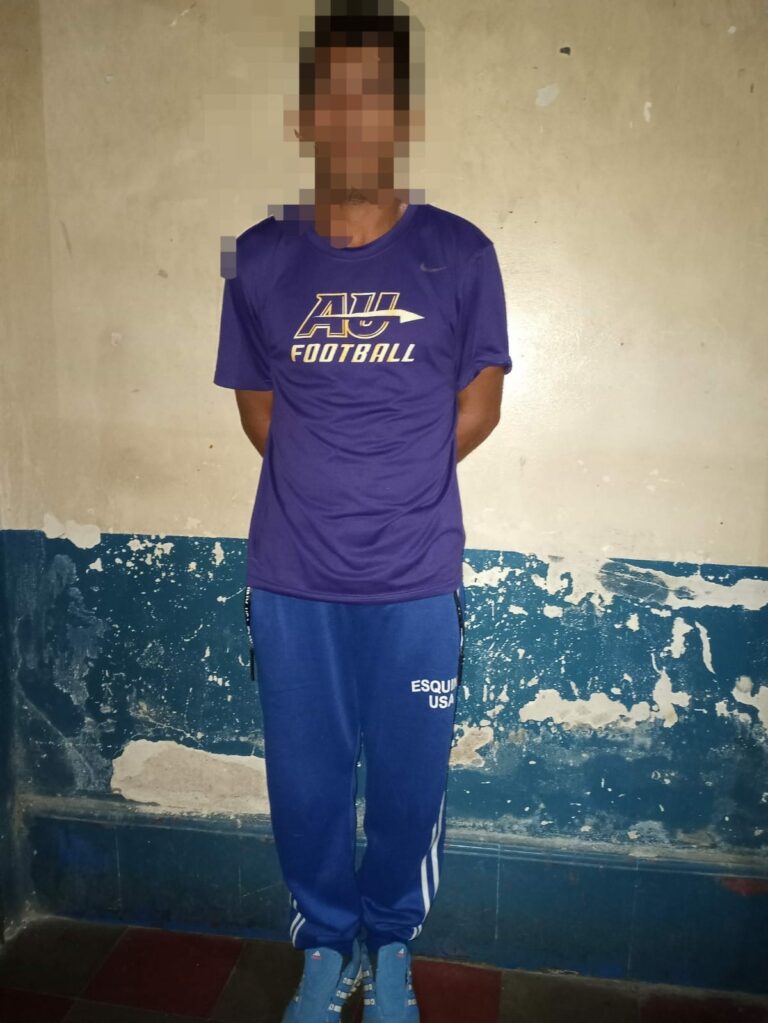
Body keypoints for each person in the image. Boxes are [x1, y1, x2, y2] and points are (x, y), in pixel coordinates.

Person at [213, 2, 512, 1019]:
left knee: (408, 784)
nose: (350, 117)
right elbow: (258, 409)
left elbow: (480, 407)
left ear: (403, 116)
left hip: (416, 580)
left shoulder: (461, 253)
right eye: (330, 96)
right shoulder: (256, 256)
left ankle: (389, 948)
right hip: (291, 577)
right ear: (303, 117)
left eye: (372, 95)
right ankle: (322, 946)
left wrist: (388, 485)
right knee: (304, 784)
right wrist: (327, 484)